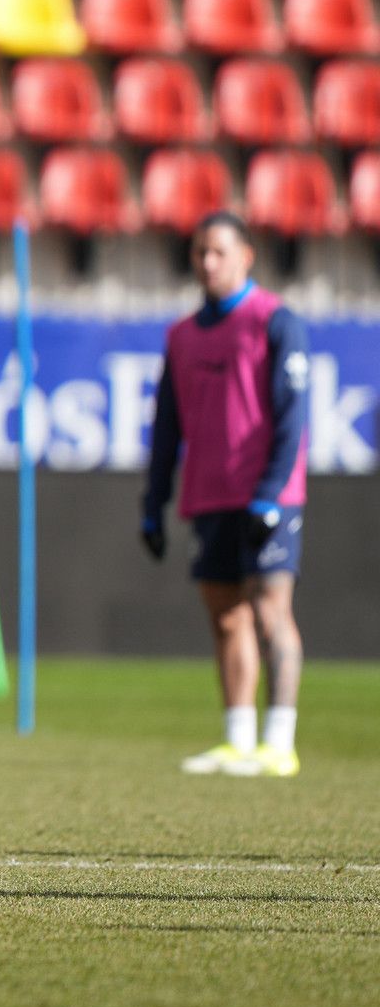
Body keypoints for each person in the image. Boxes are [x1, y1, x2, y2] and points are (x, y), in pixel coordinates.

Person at [141, 212, 307, 779]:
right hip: (209, 494)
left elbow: (293, 418)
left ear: (246, 256)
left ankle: (279, 741)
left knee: (270, 610)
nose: (207, 263)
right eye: (199, 253)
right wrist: (153, 502)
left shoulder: (275, 322)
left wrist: (269, 493)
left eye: (217, 252)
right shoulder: (182, 335)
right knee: (226, 617)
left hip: (268, 497)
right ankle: (239, 739)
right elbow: (167, 426)